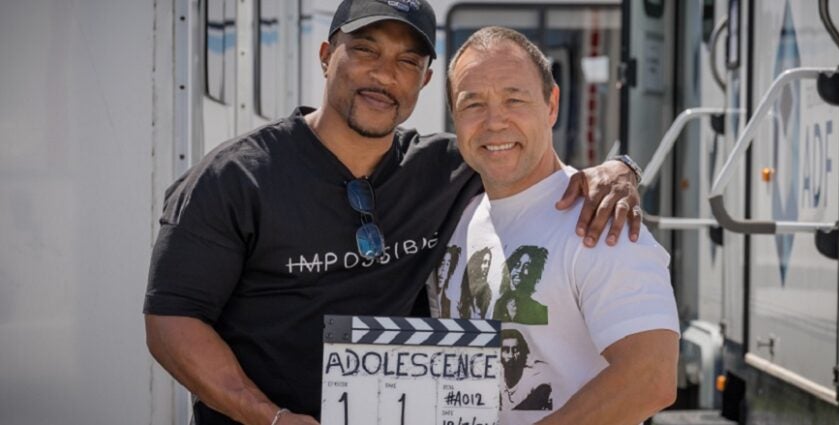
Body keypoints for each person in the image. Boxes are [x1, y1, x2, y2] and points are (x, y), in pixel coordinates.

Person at [143, 1, 643, 424]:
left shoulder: (448, 167)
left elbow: (525, 157)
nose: (385, 75)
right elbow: (172, 321)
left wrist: (619, 169)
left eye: (407, 61)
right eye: (365, 50)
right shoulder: (234, 178)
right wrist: (270, 417)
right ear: (325, 56)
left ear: (425, 81)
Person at [431, 26, 680, 425]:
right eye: (472, 104)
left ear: (551, 105)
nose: (495, 122)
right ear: (455, 118)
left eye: (515, 99)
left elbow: (650, 377)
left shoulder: (600, 220)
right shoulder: (458, 215)